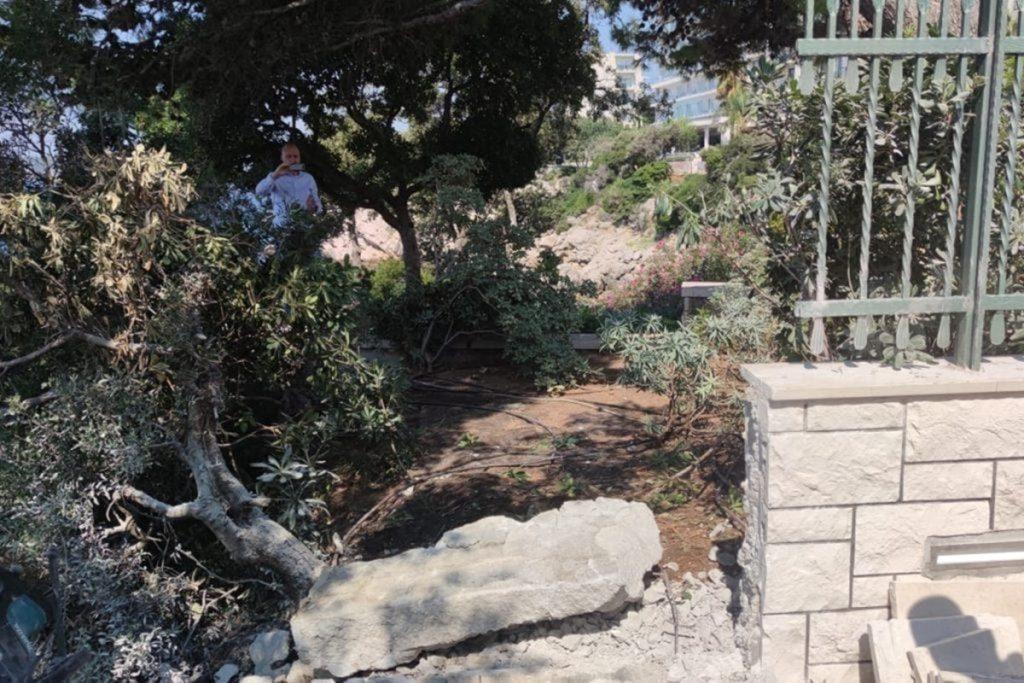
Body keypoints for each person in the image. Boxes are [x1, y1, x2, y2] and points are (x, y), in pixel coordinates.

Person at [254, 142, 323, 227]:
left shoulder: (308, 178)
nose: (293, 159)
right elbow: (259, 192)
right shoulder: (274, 177)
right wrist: (275, 175)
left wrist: (314, 207)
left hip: (304, 227)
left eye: (296, 156)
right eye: (288, 156)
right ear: (282, 158)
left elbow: (318, 204)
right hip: (281, 226)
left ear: (299, 158)